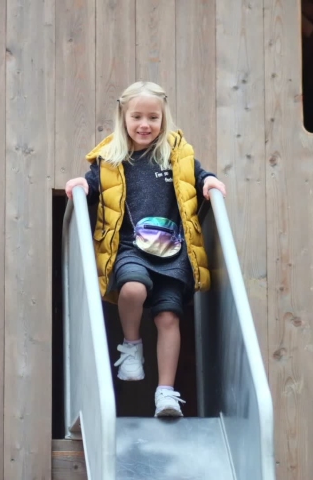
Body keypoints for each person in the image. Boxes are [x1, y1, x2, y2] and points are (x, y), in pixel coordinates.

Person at [64, 81, 226, 417]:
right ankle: (132, 344)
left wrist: (210, 182)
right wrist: (80, 183)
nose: (144, 124)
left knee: (168, 317)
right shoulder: (111, 159)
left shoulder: (177, 154)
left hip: (173, 251)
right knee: (133, 289)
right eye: (137, 116)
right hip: (131, 248)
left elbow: (199, 176)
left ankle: (165, 392)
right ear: (123, 118)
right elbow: (92, 183)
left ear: (163, 120)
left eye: (153, 117)